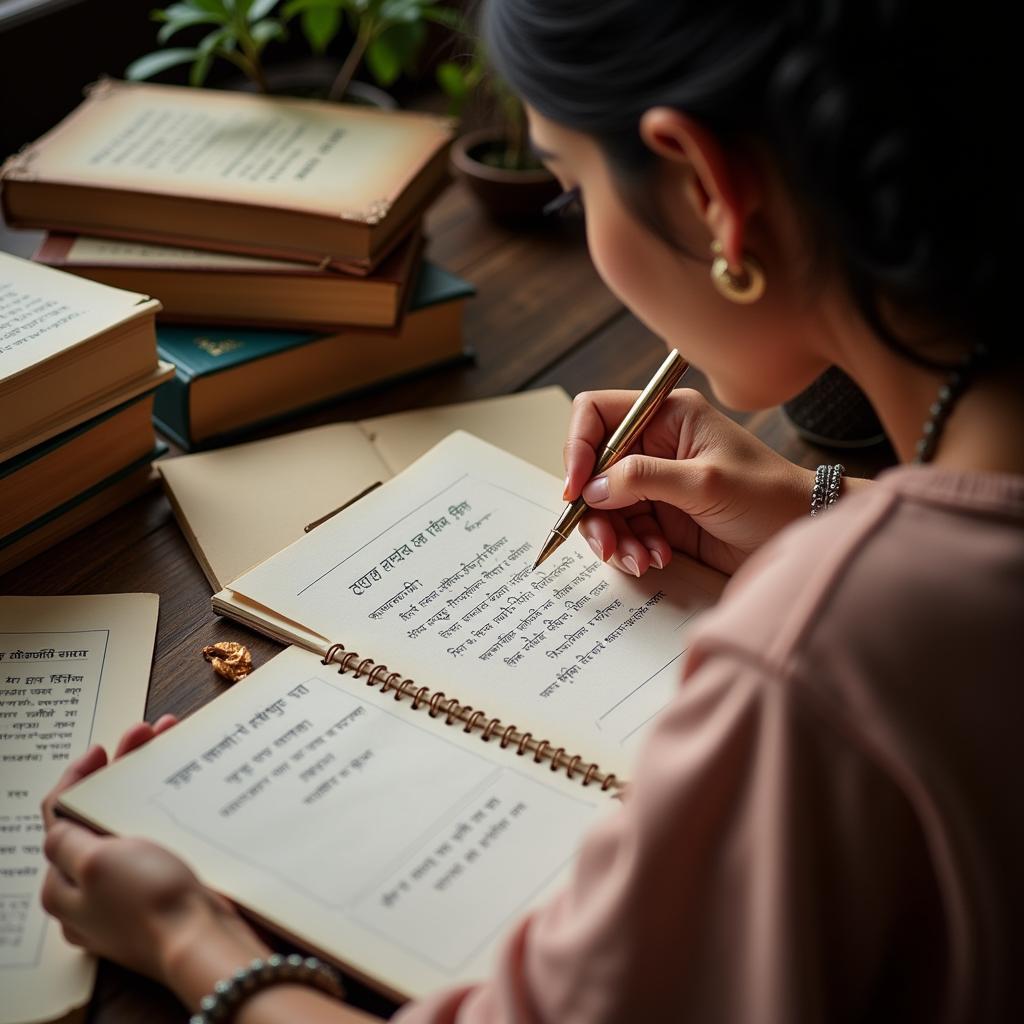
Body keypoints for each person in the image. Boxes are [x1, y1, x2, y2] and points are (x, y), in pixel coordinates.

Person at [41, 2, 1023, 1021]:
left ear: (704, 192)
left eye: (568, 186)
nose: (575, 216)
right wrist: (812, 503)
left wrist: (191, 939)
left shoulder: (818, 657)